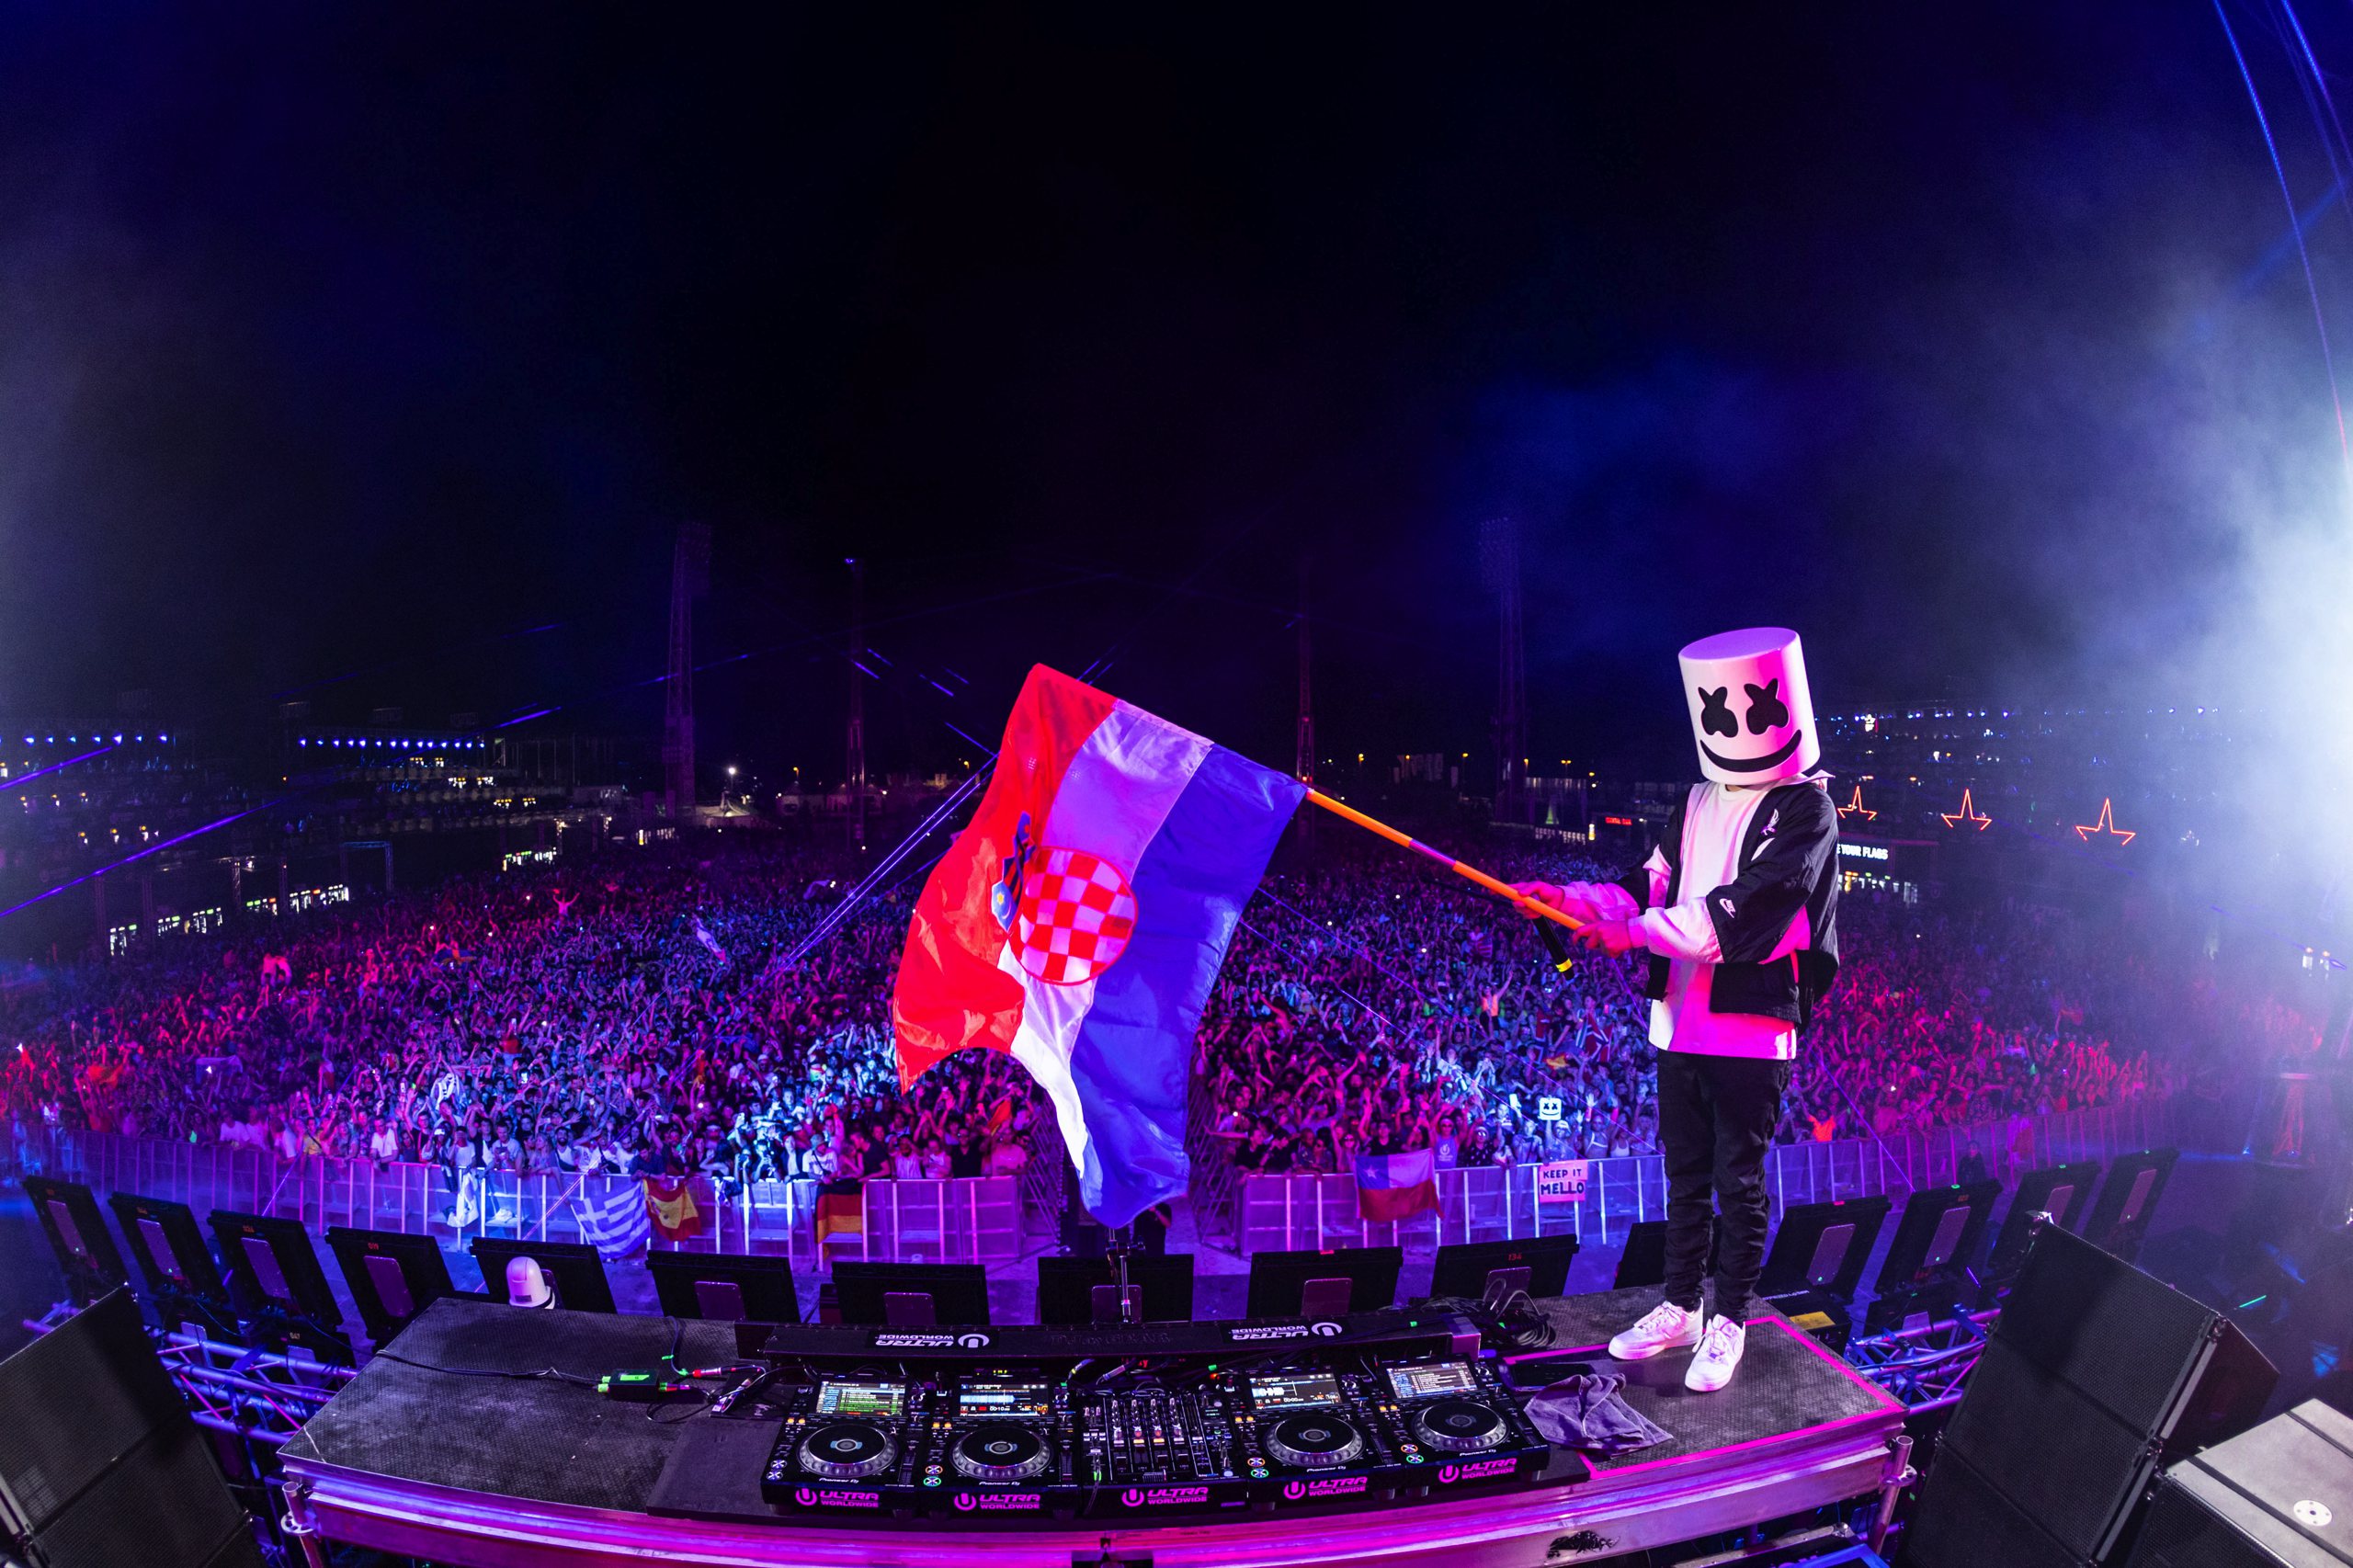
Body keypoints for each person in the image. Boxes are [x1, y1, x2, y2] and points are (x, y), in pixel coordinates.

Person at [1516, 628, 1840, 1393]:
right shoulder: (1695, 799)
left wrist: (1631, 932)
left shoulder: (1808, 809)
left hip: (1752, 1028)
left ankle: (1731, 1320)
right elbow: (1650, 881)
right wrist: (1573, 900)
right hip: (1680, 1020)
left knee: (1738, 1181)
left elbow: (1746, 911)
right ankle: (1681, 1306)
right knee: (1685, 1175)